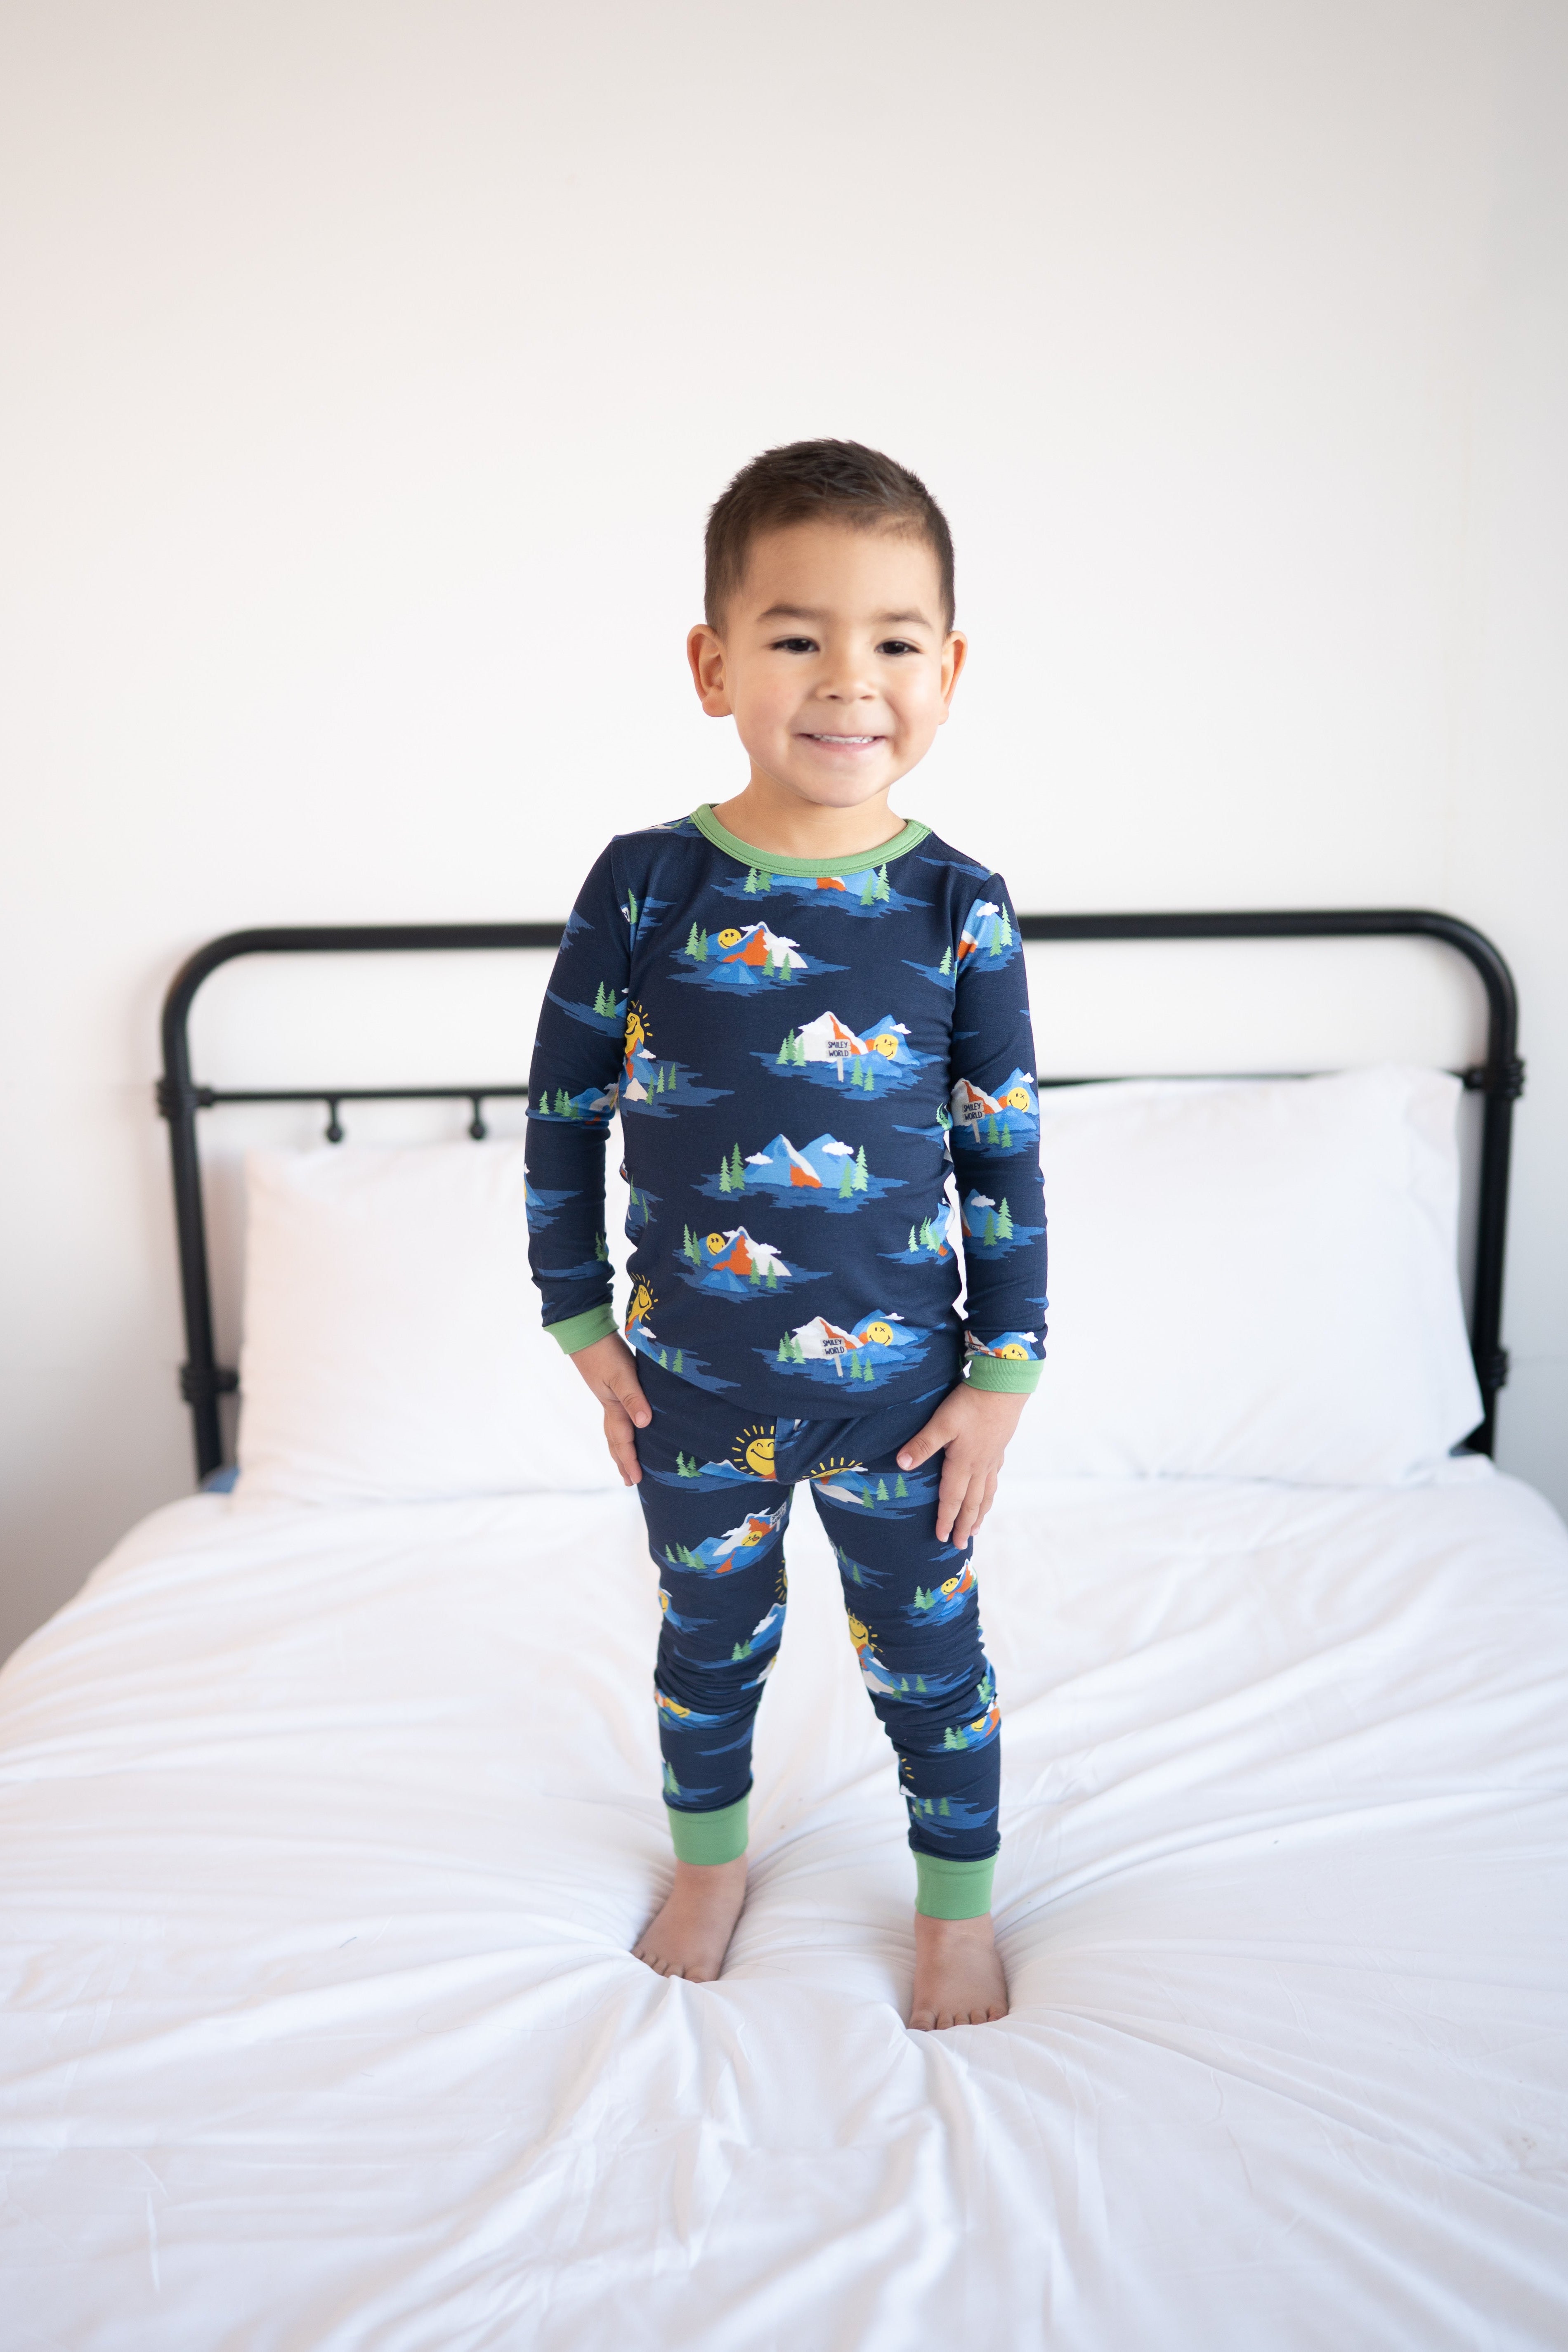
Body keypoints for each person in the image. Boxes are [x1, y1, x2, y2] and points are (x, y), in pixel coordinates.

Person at [526, 440, 1046, 2030]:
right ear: (714, 666)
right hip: (693, 1388)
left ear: (948, 671)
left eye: (894, 640)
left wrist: (1005, 1372)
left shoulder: (961, 905)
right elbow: (562, 1116)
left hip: (904, 1395)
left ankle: (954, 1907)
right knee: (707, 1645)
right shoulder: (644, 886)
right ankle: (710, 1866)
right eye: (798, 635)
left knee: (931, 1660)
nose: (848, 680)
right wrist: (582, 1324)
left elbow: (1003, 1150)